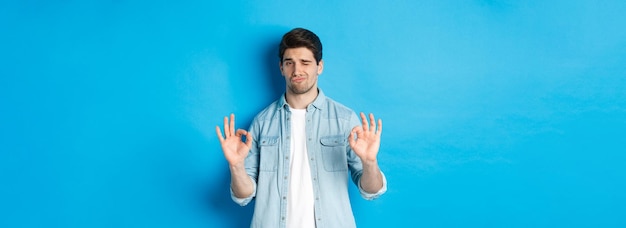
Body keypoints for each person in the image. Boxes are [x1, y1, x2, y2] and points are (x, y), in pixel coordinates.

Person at [215, 28, 387, 228]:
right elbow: (244, 196)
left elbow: (371, 191)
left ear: (319, 66)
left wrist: (369, 162)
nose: (297, 71)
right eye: (289, 63)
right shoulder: (262, 122)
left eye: (305, 62)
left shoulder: (345, 119)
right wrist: (236, 166)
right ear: (281, 68)